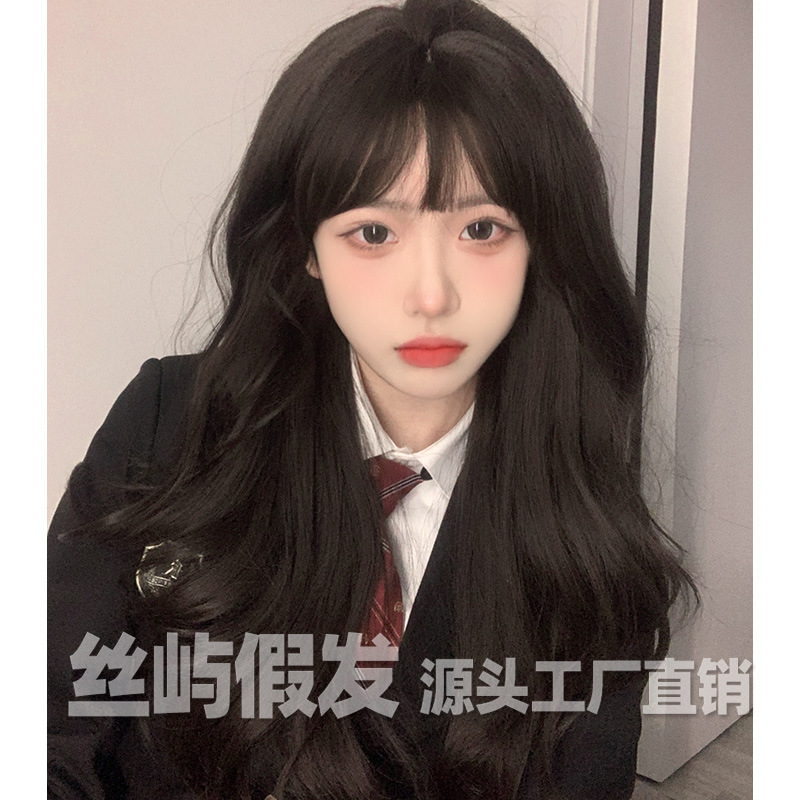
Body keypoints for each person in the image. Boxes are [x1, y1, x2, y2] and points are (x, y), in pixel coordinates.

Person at [47, 0, 696, 798]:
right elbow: (52, 727)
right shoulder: (166, 426)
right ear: (306, 247)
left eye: (482, 229)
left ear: (541, 244)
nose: (431, 296)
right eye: (374, 233)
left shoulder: (585, 526)